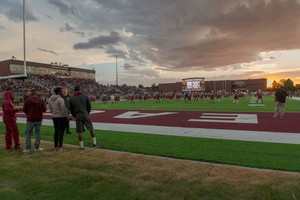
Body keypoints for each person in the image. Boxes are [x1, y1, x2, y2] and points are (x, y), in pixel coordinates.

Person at [69, 85, 100, 150]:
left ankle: (82, 146)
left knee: (79, 131)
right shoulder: (84, 97)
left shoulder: (72, 99)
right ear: (80, 90)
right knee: (91, 128)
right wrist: (86, 113)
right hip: (85, 114)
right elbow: (89, 107)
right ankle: (94, 143)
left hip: (78, 115)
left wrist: (75, 115)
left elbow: (71, 110)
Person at [22, 89, 47, 153]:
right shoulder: (41, 101)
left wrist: (28, 113)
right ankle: (36, 148)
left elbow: (24, 109)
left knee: (28, 133)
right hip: (38, 118)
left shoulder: (27, 100)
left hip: (30, 118)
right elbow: (45, 109)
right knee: (38, 133)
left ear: (31, 94)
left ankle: (27, 148)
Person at [48, 87, 69, 151]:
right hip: (61, 117)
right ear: (59, 92)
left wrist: (54, 113)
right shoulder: (60, 99)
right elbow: (63, 109)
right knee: (61, 132)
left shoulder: (50, 99)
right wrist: (68, 116)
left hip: (54, 116)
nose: (63, 92)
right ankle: (60, 147)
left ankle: (55, 146)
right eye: (61, 91)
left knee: (56, 131)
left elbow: (50, 109)